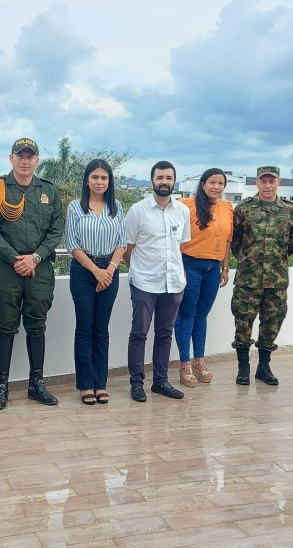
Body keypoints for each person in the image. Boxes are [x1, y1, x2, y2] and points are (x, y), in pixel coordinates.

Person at [0, 138, 65, 410]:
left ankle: (36, 385)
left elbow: (56, 229)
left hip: (39, 270)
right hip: (7, 270)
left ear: (37, 160)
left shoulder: (48, 191)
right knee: (5, 327)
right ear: (11, 158)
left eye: (30, 156)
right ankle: (1, 388)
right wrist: (16, 259)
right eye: (20, 155)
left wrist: (35, 257)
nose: (25, 160)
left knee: (36, 325)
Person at [123, 160, 191, 402]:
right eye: (160, 178)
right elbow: (126, 248)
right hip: (144, 283)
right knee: (139, 333)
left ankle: (160, 382)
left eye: (169, 178)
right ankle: (136, 383)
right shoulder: (138, 211)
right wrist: (137, 273)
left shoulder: (182, 211)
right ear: (152, 180)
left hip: (173, 285)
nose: (164, 182)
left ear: (175, 181)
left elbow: (180, 247)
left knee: (165, 334)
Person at [231, 166, 293, 386]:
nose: (268, 185)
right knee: (243, 324)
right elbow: (236, 242)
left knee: (271, 324)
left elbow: (290, 245)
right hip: (248, 280)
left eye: (272, 181)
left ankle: (264, 367)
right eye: (264, 181)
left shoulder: (289, 210)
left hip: (276, 281)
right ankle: (243, 368)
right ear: (257, 183)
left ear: (278, 182)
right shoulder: (244, 208)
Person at [66, 159, 126, 405]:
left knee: (101, 330)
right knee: (84, 328)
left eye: (104, 178)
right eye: (95, 177)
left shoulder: (117, 207)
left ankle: (100, 384)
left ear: (109, 181)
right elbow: (72, 244)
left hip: (110, 270)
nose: (99, 182)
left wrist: (109, 269)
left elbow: (122, 241)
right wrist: (95, 271)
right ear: (87, 180)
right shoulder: (75, 207)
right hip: (83, 271)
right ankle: (85, 385)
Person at [174, 168, 233, 387]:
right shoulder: (185, 205)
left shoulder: (227, 207)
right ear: (203, 184)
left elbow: (227, 240)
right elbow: (176, 239)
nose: (216, 187)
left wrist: (225, 268)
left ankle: (199, 361)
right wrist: (179, 267)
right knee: (186, 315)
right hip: (190, 265)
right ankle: (184, 365)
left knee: (202, 315)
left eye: (220, 184)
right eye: (212, 183)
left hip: (213, 268)